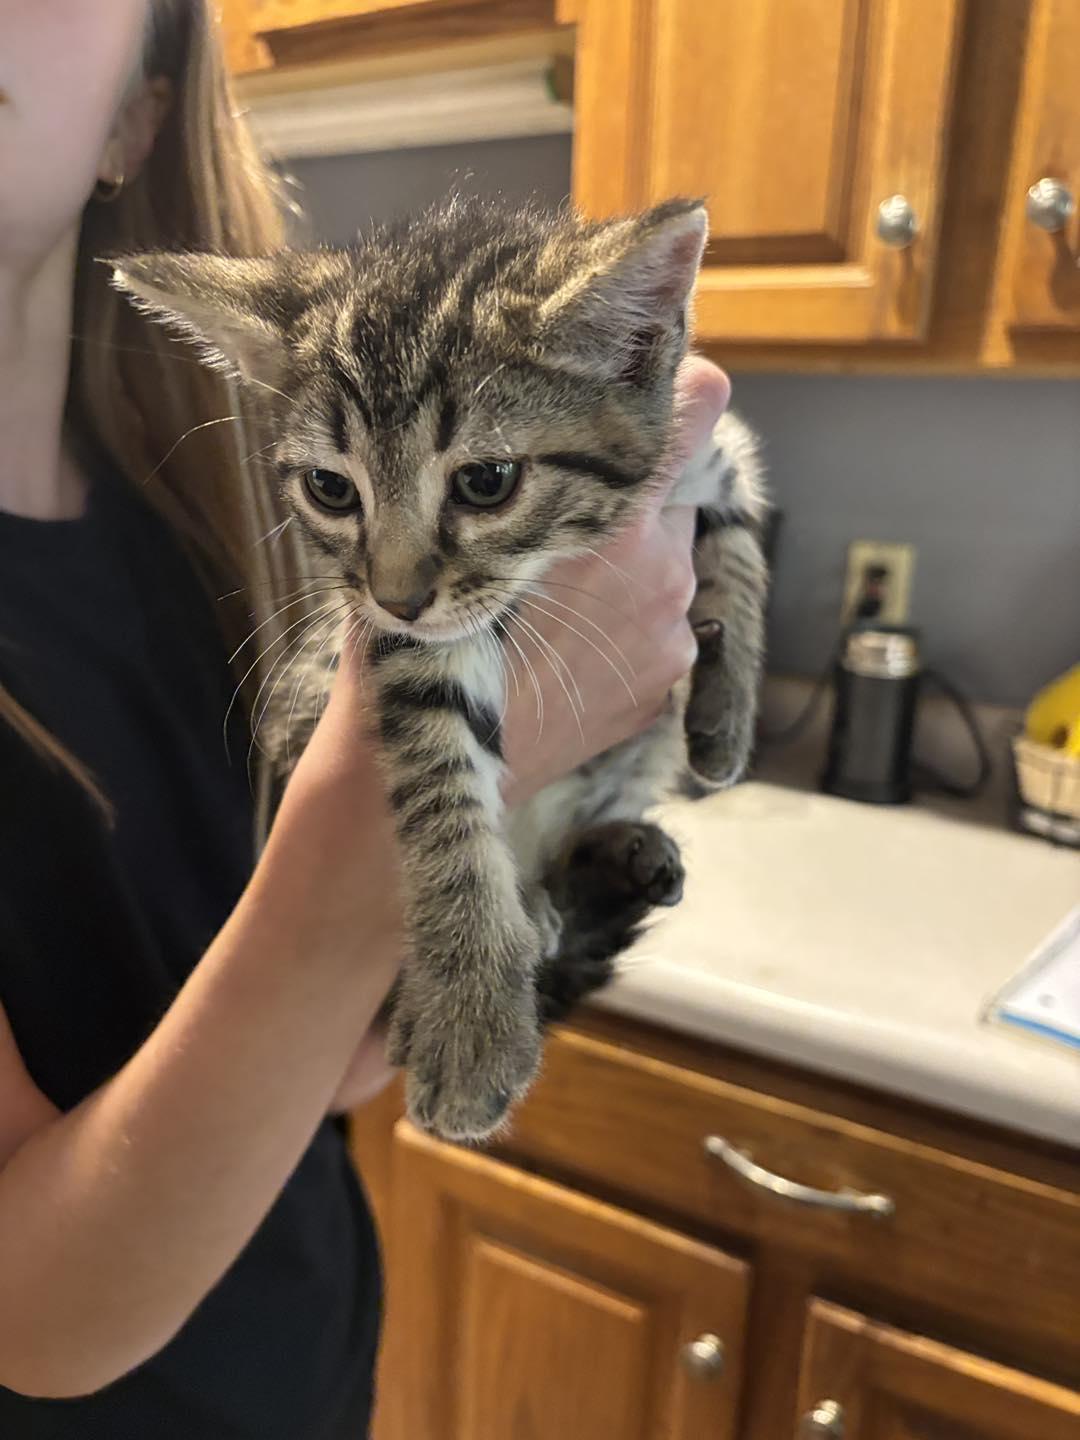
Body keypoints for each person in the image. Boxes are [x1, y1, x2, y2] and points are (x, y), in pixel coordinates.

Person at [0, 1, 730, 1435]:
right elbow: (32, 1320)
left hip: (313, 1361)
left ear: (137, 121)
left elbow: (316, 1063)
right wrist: (397, 822)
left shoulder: (219, 530)